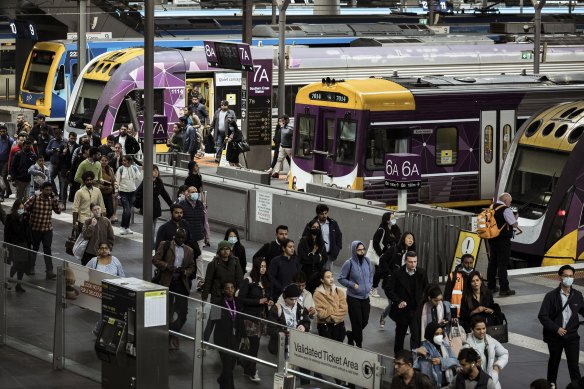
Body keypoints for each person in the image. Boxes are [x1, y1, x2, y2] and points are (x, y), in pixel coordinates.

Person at [538, 264, 584, 387]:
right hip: (555, 336)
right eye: (566, 276)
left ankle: (577, 387)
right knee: (554, 363)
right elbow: (543, 316)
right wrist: (556, 328)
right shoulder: (551, 296)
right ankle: (551, 386)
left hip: (572, 336)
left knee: (574, 365)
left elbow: (582, 310)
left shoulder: (578, 295)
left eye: (571, 276)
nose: (569, 278)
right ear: (560, 277)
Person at [152, 229, 195, 350]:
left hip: (181, 283)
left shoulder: (189, 250)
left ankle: (172, 332)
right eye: (179, 237)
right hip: (168, 282)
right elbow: (155, 259)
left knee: (183, 313)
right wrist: (167, 266)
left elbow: (192, 267)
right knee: (168, 311)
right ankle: (168, 336)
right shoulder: (165, 245)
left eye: (183, 238)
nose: (181, 240)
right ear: (174, 236)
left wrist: (185, 271)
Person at [387, 250, 429, 354]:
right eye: (410, 262)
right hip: (402, 311)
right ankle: (398, 358)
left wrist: (423, 303)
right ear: (405, 261)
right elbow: (389, 289)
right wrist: (398, 301)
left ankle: (415, 359)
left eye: (415, 261)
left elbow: (426, 289)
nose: (413, 264)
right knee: (400, 336)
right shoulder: (397, 273)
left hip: (416, 310)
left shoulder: (422, 273)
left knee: (416, 336)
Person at [238, 258, 271, 383]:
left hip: (261, 317)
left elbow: (268, 295)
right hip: (250, 317)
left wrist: (269, 300)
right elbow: (241, 299)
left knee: (253, 344)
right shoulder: (248, 281)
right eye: (261, 266)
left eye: (265, 266)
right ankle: (252, 370)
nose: (263, 268)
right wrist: (258, 301)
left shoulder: (266, 280)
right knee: (254, 345)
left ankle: (247, 366)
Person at [337, 241, 373, 348]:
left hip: (365, 297)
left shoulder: (367, 261)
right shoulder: (349, 263)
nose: (362, 252)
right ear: (354, 251)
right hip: (353, 298)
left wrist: (370, 284)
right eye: (359, 250)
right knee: (357, 322)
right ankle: (359, 345)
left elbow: (371, 274)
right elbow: (341, 278)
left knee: (364, 321)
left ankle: (351, 335)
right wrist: (352, 285)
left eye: (363, 249)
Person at [23, 182, 62, 279]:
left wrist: (55, 200)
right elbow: (23, 207)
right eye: (46, 190)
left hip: (47, 229)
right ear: (41, 189)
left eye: (50, 190)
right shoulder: (34, 198)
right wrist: (24, 216)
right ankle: (31, 267)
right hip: (35, 229)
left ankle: (49, 271)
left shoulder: (51, 200)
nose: (48, 192)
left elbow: (58, 211)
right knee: (34, 248)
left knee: (47, 249)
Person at [214, 281, 249, 389]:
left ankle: (221, 379)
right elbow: (212, 323)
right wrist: (204, 340)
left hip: (235, 338)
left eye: (232, 288)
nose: (230, 290)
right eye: (227, 288)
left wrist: (245, 336)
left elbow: (240, 320)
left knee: (230, 366)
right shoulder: (218, 303)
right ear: (224, 290)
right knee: (228, 367)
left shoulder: (238, 302)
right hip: (222, 339)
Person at [379, 231, 417, 327]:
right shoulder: (394, 249)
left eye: (412, 239)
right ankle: (384, 316)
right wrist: (389, 274)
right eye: (408, 238)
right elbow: (382, 260)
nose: (410, 240)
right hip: (392, 283)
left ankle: (403, 324)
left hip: (404, 283)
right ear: (403, 239)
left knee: (403, 303)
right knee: (393, 303)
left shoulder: (412, 254)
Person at [464, 316, 509, 389]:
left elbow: (504, 353)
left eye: (483, 328)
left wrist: (497, 368)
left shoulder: (491, 341)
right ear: (472, 329)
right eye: (478, 329)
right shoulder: (466, 345)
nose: (482, 332)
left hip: (492, 382)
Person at [487, 192, 518, 297]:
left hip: (492, 239)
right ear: (505, 201)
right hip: (503, 241)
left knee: (492, 263)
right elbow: (514, 224)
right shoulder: (506, 210)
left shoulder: (492, 207)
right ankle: (504, 289)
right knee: (502, 264)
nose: (510, 203)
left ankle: (491, 287)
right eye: (510, 201)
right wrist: (516, 218)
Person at [267, 283, 310, 354]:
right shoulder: (276, 309)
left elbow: (307, 322)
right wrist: (287, 333)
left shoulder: (299, 307)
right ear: (285, 297)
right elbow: (270, 329)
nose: (293, 302)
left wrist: (303, 327)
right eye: (291, 299)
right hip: (280, 347)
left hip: (296, 347)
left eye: (295, 299)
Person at [178, 186, 209, 283]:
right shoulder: (182, 205)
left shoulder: (200, 205)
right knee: (186, 257)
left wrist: (206, 236)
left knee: (199, 257)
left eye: (196, 191)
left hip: (199, 235)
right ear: (187, 193)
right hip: (187, 238)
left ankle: (201, 279)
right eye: (193, 192)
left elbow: (205, 221)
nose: (195, 193)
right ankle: (185, 276)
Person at [414, 322, 459, 387]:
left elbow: (455, 361)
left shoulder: (445, 346)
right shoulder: (424, 349)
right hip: (432, 385)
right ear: (430, 334)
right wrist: (416, 351)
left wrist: (441, 361)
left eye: (441, 333)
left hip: (448, 382)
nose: (440, 336)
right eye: (437, 334)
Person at [135, 164, 173, 242]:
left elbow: (164, 194)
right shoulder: (146, 181)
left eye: (157, 170)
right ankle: (150, 245)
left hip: (155, 206)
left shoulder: (159, 182)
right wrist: (142, 203)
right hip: (147, 206)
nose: (156, 172)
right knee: (150, 228)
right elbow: (138, 193)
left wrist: (171, 205)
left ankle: (151, 246)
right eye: (154, 170)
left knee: (153, 228)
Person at [3, 199, 32, 292]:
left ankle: (19, 284)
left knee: (22, 265)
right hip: (14, 245)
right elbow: (7, 233)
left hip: (23, 244)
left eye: (23, 208)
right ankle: (10, 280)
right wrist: (6, 245)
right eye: (20, 208)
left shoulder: (24, 218)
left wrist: (26, 220)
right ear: (15, 208)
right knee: (16, 265)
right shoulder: (10, 218)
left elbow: (27, 231)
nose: (21, 210)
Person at [370, 211, 401, 298]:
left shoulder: (395, 229)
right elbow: (375, 243)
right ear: (387, 220)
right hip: (382, 255)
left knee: (390, 272)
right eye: (392, 218)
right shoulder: (382, 230)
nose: (394, 219)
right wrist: (381, 254)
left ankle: (390, 289)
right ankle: (373, 288)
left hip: (391, 255)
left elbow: (398, 240)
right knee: (379, 272)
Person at [314, 269, 347, 343]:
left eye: (332, 276)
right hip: (325, 327)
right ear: (322, 280)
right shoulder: (317, 294)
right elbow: (320, 314)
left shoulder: (339, 291)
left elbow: (344, 309)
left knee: (338, 351)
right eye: (328, 277)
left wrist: (332, 317)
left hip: (339, 326)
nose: (331, 279)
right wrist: (333, 310)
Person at [309, 204, 343, 271]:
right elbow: (306, 237)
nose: (324, 216)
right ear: (318, 214)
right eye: (322, 214)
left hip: (329, 256)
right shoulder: (312, 224)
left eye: (326, 213)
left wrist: (337, 249)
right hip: (317, 256)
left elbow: (339, 236)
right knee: (317, 276)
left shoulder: (333, 223)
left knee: (328, 276)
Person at [297, 219, 327, 293]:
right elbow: (303, 258)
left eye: (317, 227)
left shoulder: (321, 242)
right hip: (305, 273)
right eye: (314, 227)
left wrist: (317, 260)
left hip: (318, 273)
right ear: (309, 228)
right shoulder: (303, 242)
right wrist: (317, 258)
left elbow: (324, 257)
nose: (316, 229)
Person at [115, 155, 142, 235]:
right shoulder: (120, 169)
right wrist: (116, 191)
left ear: (129, 161)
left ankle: (127, 227)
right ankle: (122, 227)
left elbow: (140, 178)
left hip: (132, 192)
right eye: (122, 161)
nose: (123, 162)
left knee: (128, 211)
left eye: (124, 161)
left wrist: (143, 170)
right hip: (123, 192)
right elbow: (117, 181)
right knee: (127, 210)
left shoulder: (134, 168)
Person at [444, 253, 475, 319]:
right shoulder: (453, 276)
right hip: (457, 314)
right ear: (462, 263)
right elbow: (446, 297)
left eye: (471, 263)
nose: (469, 265)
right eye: (466, 263)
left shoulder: (476, 276)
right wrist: (448, 312)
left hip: (472, 313)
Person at [56, 131, 78, 207]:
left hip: (74, 169)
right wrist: (63, 153)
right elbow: (58, 157)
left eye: (75, 138)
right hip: (64, 169)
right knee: (64, 187)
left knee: (74, 187)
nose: (73, 140)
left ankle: (75, 204)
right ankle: (63, 203)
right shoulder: (63, 146)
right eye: (72, 138)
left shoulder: (78, 147)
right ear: (69, 138)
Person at [270, 114, 293, 179]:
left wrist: (282, 127)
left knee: (292, 162)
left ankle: (289, 175)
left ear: (286, 120)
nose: (281, 122)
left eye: (283, 121)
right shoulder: (281, 127)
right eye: (280, 121)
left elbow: (287, 134)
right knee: (279, 159)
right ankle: (276, 172)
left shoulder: (290, 127)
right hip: (282, 146)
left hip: (289, 147)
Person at [98, 155, 116, 219]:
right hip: (100, 192)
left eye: (105, 161)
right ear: (99, 161)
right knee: (101, 210)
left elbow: (113, 180)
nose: (104, 162)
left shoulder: (110, 169)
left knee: (110, 211)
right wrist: (104, 187)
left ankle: (105, 222)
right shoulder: (97, 169)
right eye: (102, 160)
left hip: (109, 192)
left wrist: (114, 190)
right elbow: (97, 181)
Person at [0, 124, 14, 200]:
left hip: (6, 161)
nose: (2, 133)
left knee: (2, 177)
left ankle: (1, 195)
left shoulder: (10, 140)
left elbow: (13, 151)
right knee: (2, 178)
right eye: (1, 131)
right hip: (0, 161)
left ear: (6, 131)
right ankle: (9, 191)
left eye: (4, 131)